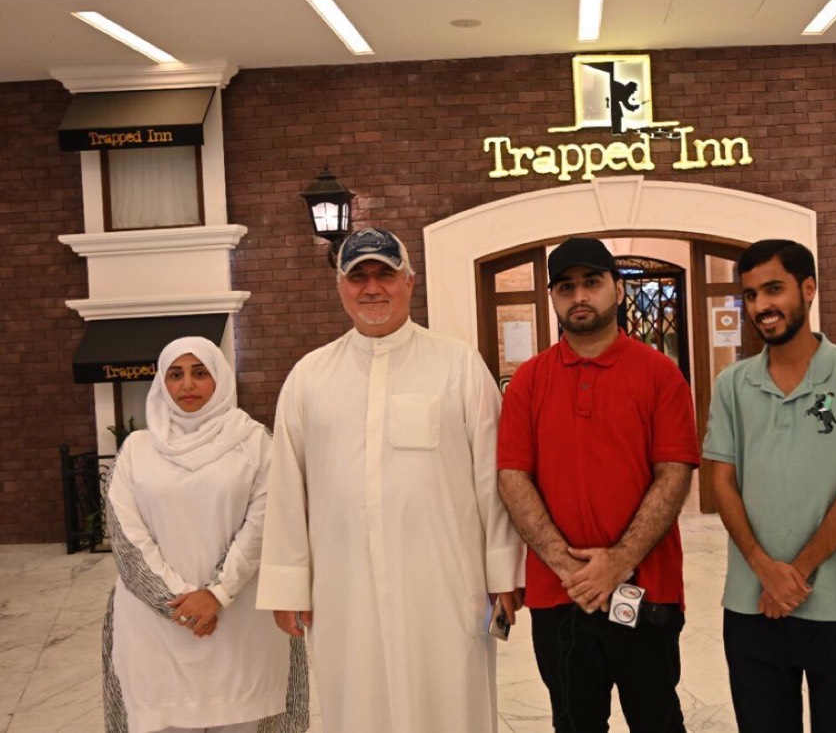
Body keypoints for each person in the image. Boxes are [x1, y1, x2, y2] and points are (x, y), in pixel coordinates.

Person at [256, 228, 524, 732]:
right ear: (340, 286)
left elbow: (494, 476)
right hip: (344, 588)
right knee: (359, 704)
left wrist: (503, 572)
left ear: (410, 282)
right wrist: (288, 585)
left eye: (385, 273)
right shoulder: (310, 377)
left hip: (445, 584)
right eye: (358, 276)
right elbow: (288, 488)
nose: (372, 287)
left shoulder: (458, 364)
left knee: (450, 702)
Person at [497, 237, 699, 732]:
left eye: (592, 282)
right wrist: (570, 568)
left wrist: (617, 562)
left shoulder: (660, 375)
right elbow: (512, 477)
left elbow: (674, 474)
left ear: (618, 290)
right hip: (559, 595)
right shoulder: (528, 382)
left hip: (645, 590)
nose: (579, 296)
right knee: (574, 723)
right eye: (566, 287)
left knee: (657, 720)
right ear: (553, 298)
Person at [703, 239, 836, 732]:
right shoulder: (732, 385)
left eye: (774, 289)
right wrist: (762, 569)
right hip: (750, 605)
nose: (761, 306)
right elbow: (721, 481)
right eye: (751, 295)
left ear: (808, 289)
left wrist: (795, 575)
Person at [102, 337, 307, 733]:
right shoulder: (136, 450)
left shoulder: (255, 442)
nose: (187, 384)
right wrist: (179, 605)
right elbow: (127, 537)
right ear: (162, 383)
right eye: (175, 374)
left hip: (242, 622)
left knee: (249, 717)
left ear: (220, 378)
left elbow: (266, 524)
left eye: (200, 373)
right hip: (155, 629)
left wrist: (218, 593)